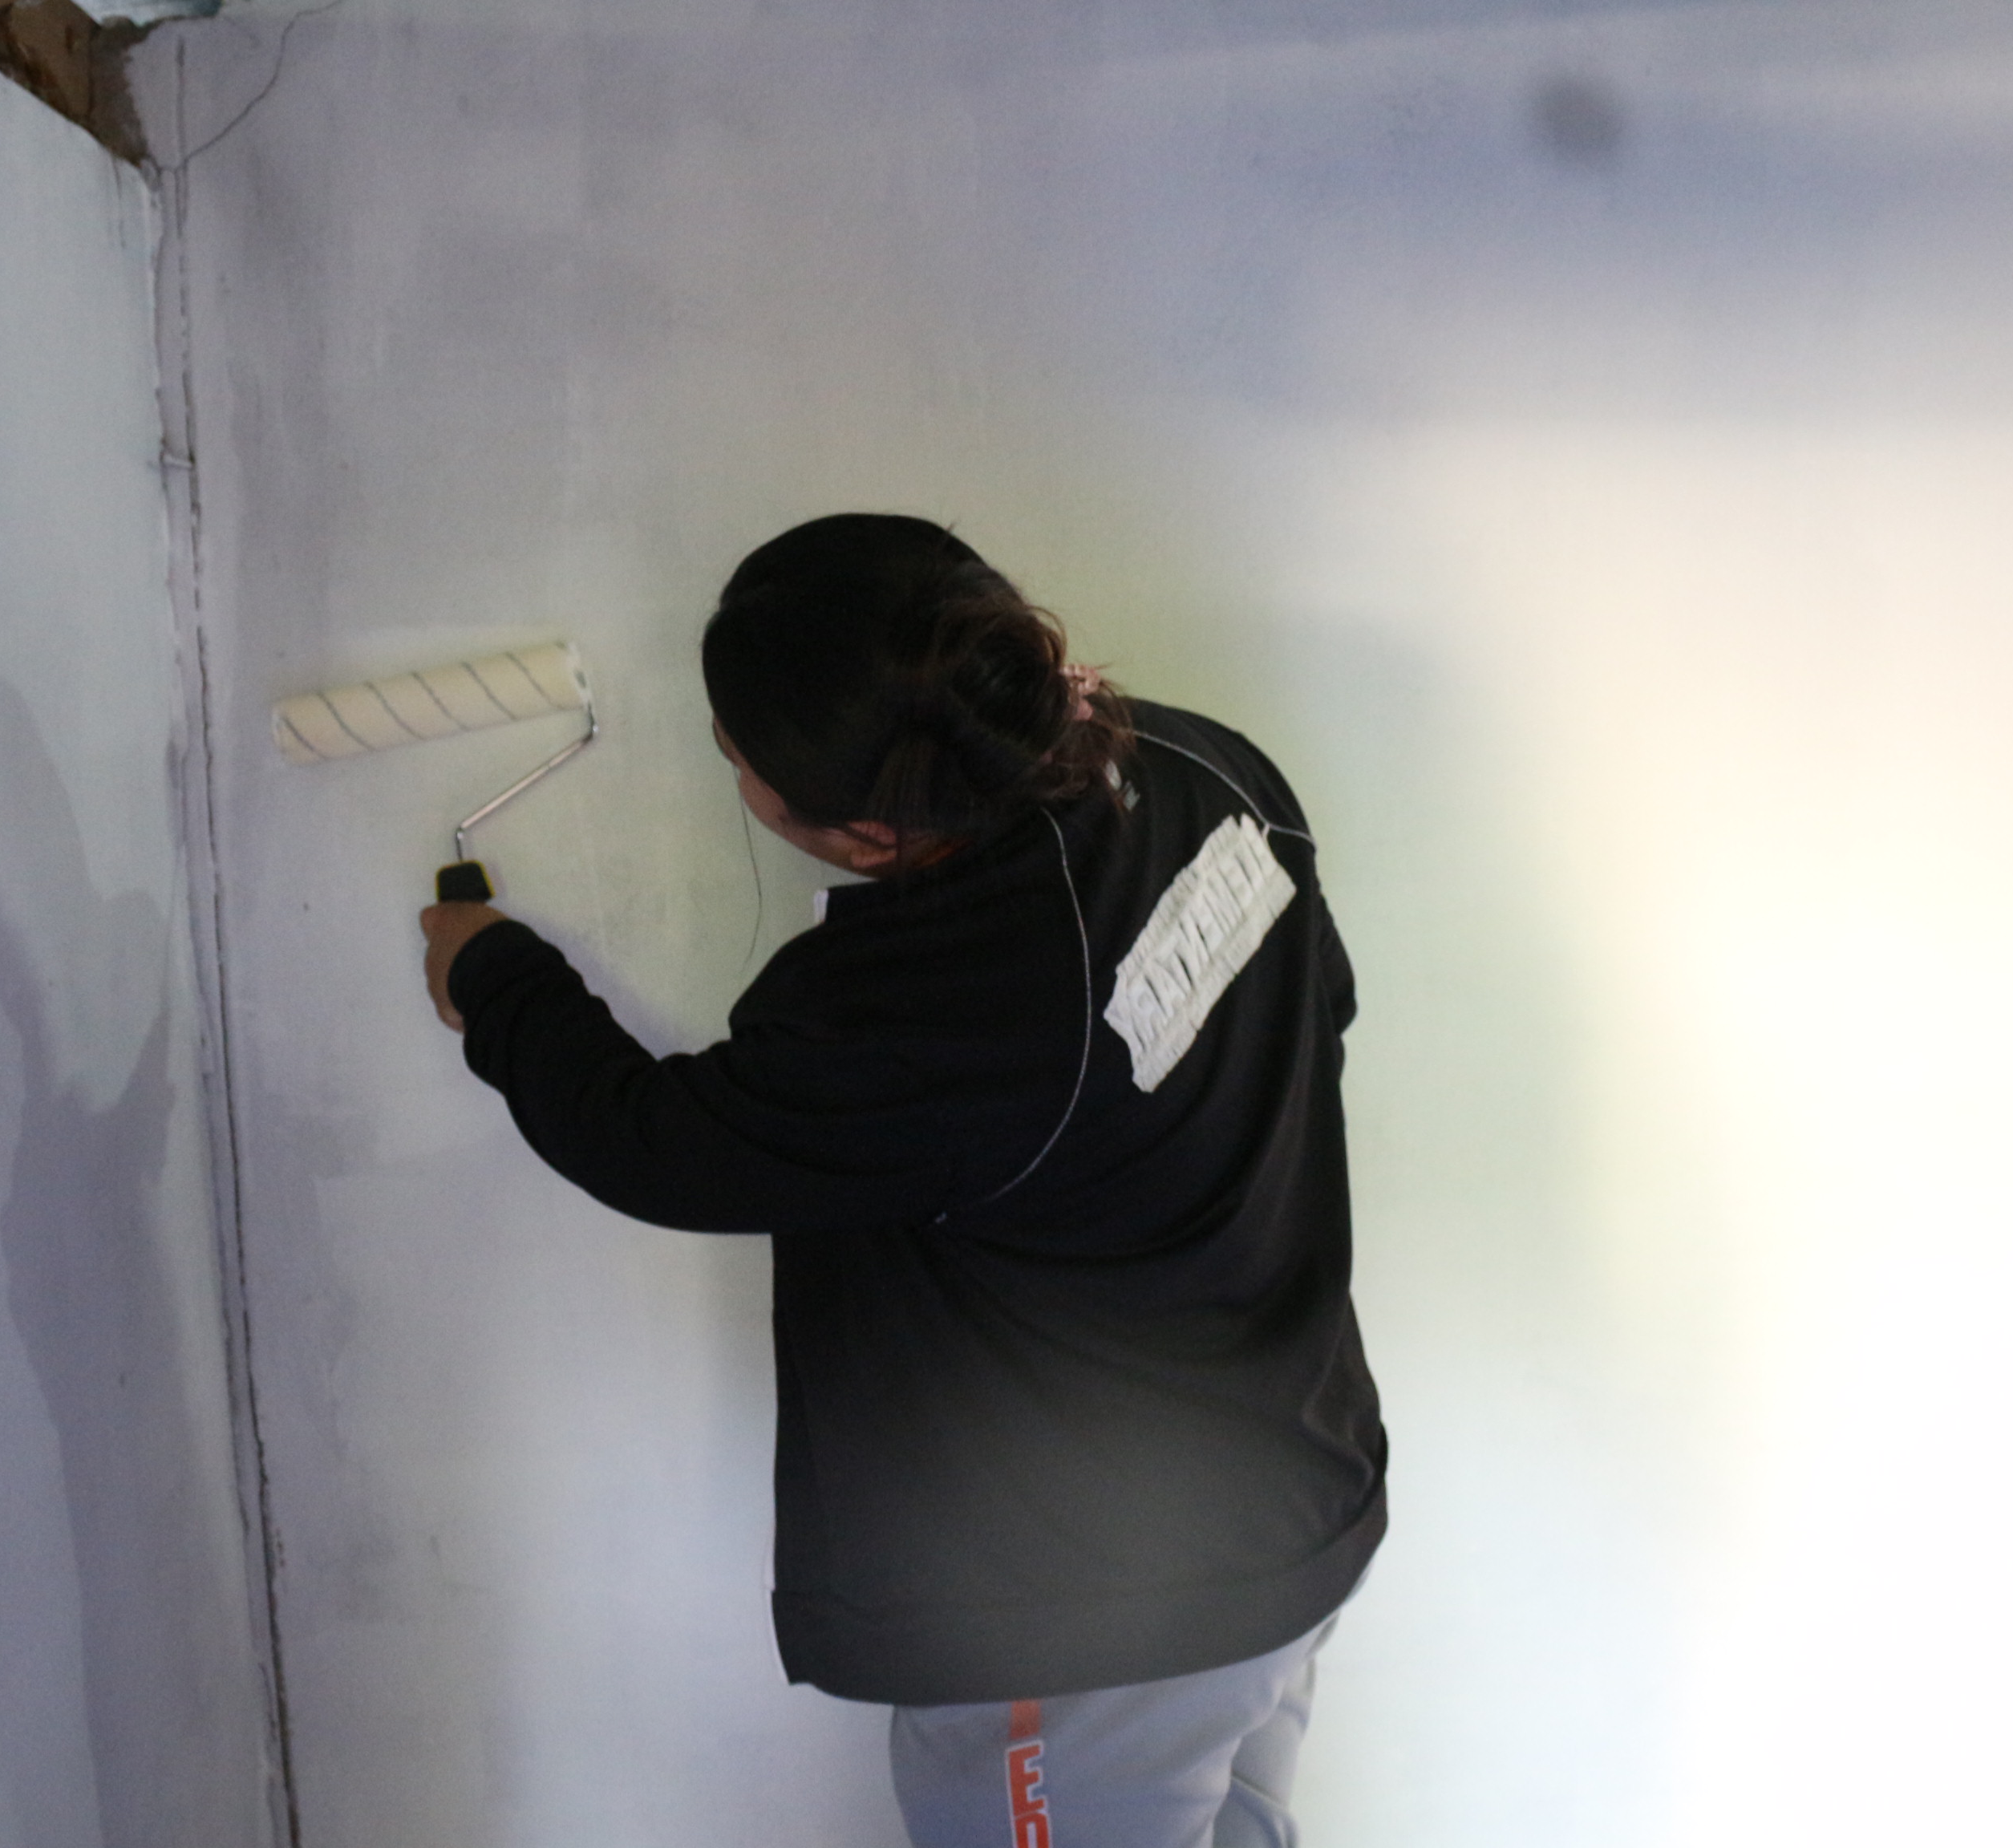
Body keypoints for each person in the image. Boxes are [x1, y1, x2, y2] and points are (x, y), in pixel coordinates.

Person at [419, 513, 1385, 1848]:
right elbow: (1319, 1003)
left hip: (1096, 1621)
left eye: (734, 757)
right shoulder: (1198, 761)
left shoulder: (932, 1004)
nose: (732, 771)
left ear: (869, 831)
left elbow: (654, 1140)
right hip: (1293, 1497)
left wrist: (493, 975)